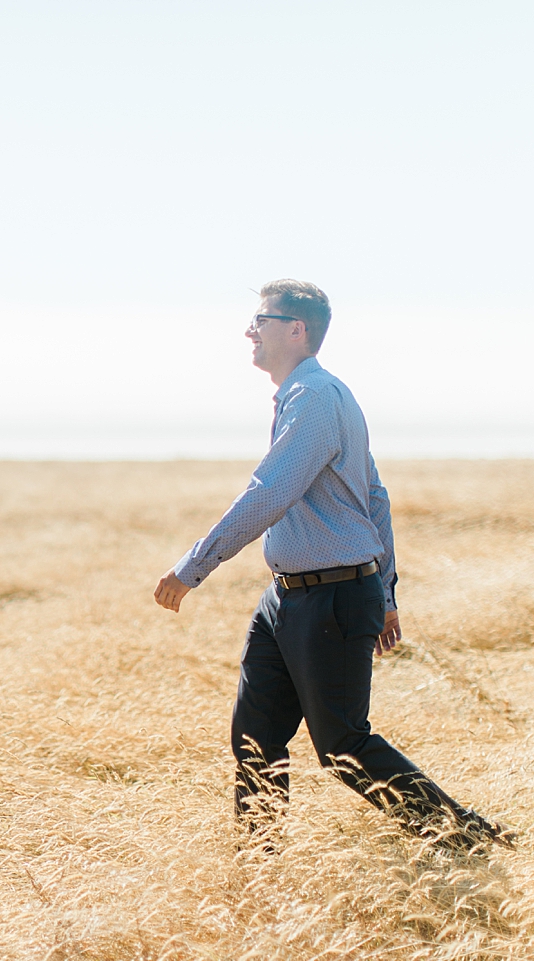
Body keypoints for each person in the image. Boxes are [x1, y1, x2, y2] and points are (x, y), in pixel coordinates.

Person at [153, 279, 509, 852]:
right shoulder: (308, 395)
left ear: (297, 329)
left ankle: (464, 837)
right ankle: (260, 862)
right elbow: (376, 499)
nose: (250, 330)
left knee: (342, 745)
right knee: (255, 737)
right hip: (285, 599)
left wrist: (194, 566)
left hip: (333, 597)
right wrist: (388, 594)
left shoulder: (317, 398)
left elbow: (271, 492)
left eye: (260, 320)